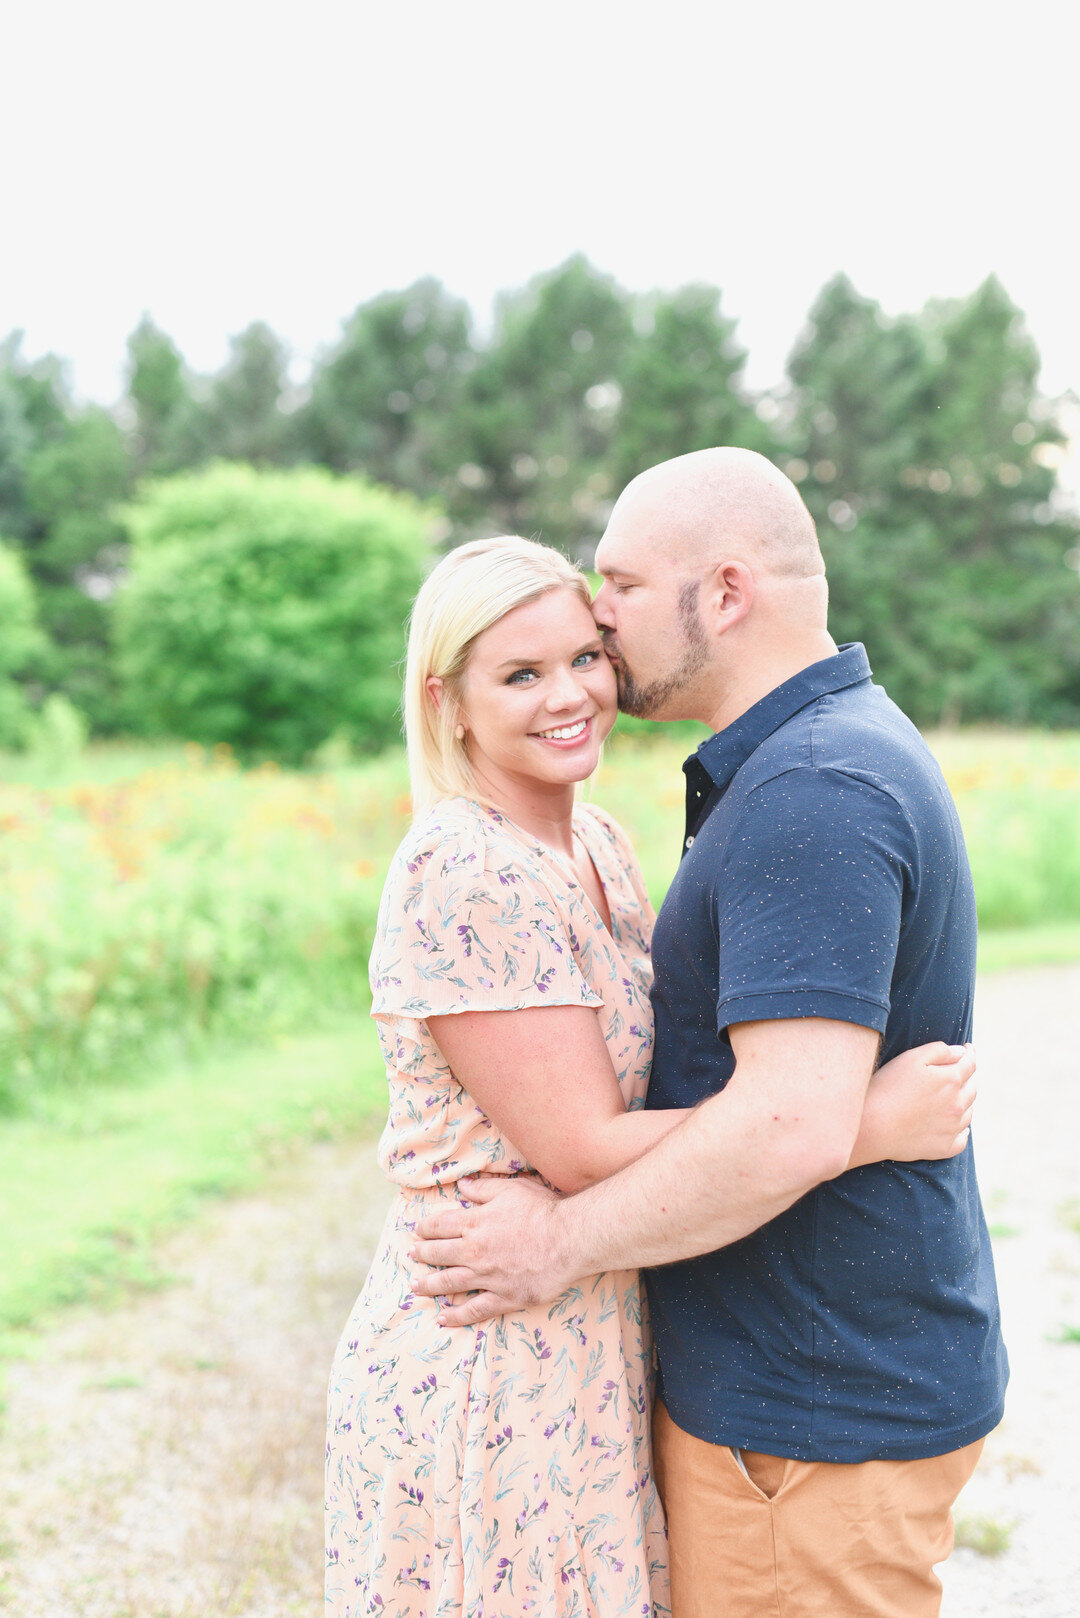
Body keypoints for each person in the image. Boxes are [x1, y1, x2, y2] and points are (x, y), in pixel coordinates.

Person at [326, 532, 979, 1618]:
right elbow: (583, 1144)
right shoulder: (467, 867)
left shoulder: (601, 845)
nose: (571, 693)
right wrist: (860, 1121)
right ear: (447, 700)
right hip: (496, 1347)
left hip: (592, 1335)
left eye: (584, 654)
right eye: (520, 674)